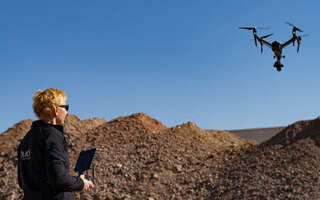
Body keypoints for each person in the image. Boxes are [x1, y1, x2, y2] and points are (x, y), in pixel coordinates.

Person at [18, 88, 94, 200]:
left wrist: (74, 184)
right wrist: (81, 183)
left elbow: (22, 182)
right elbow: (59, 178)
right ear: (55, 110)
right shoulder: (53, 135)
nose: (67, 112)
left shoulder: (26, 139)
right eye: (65, 107)